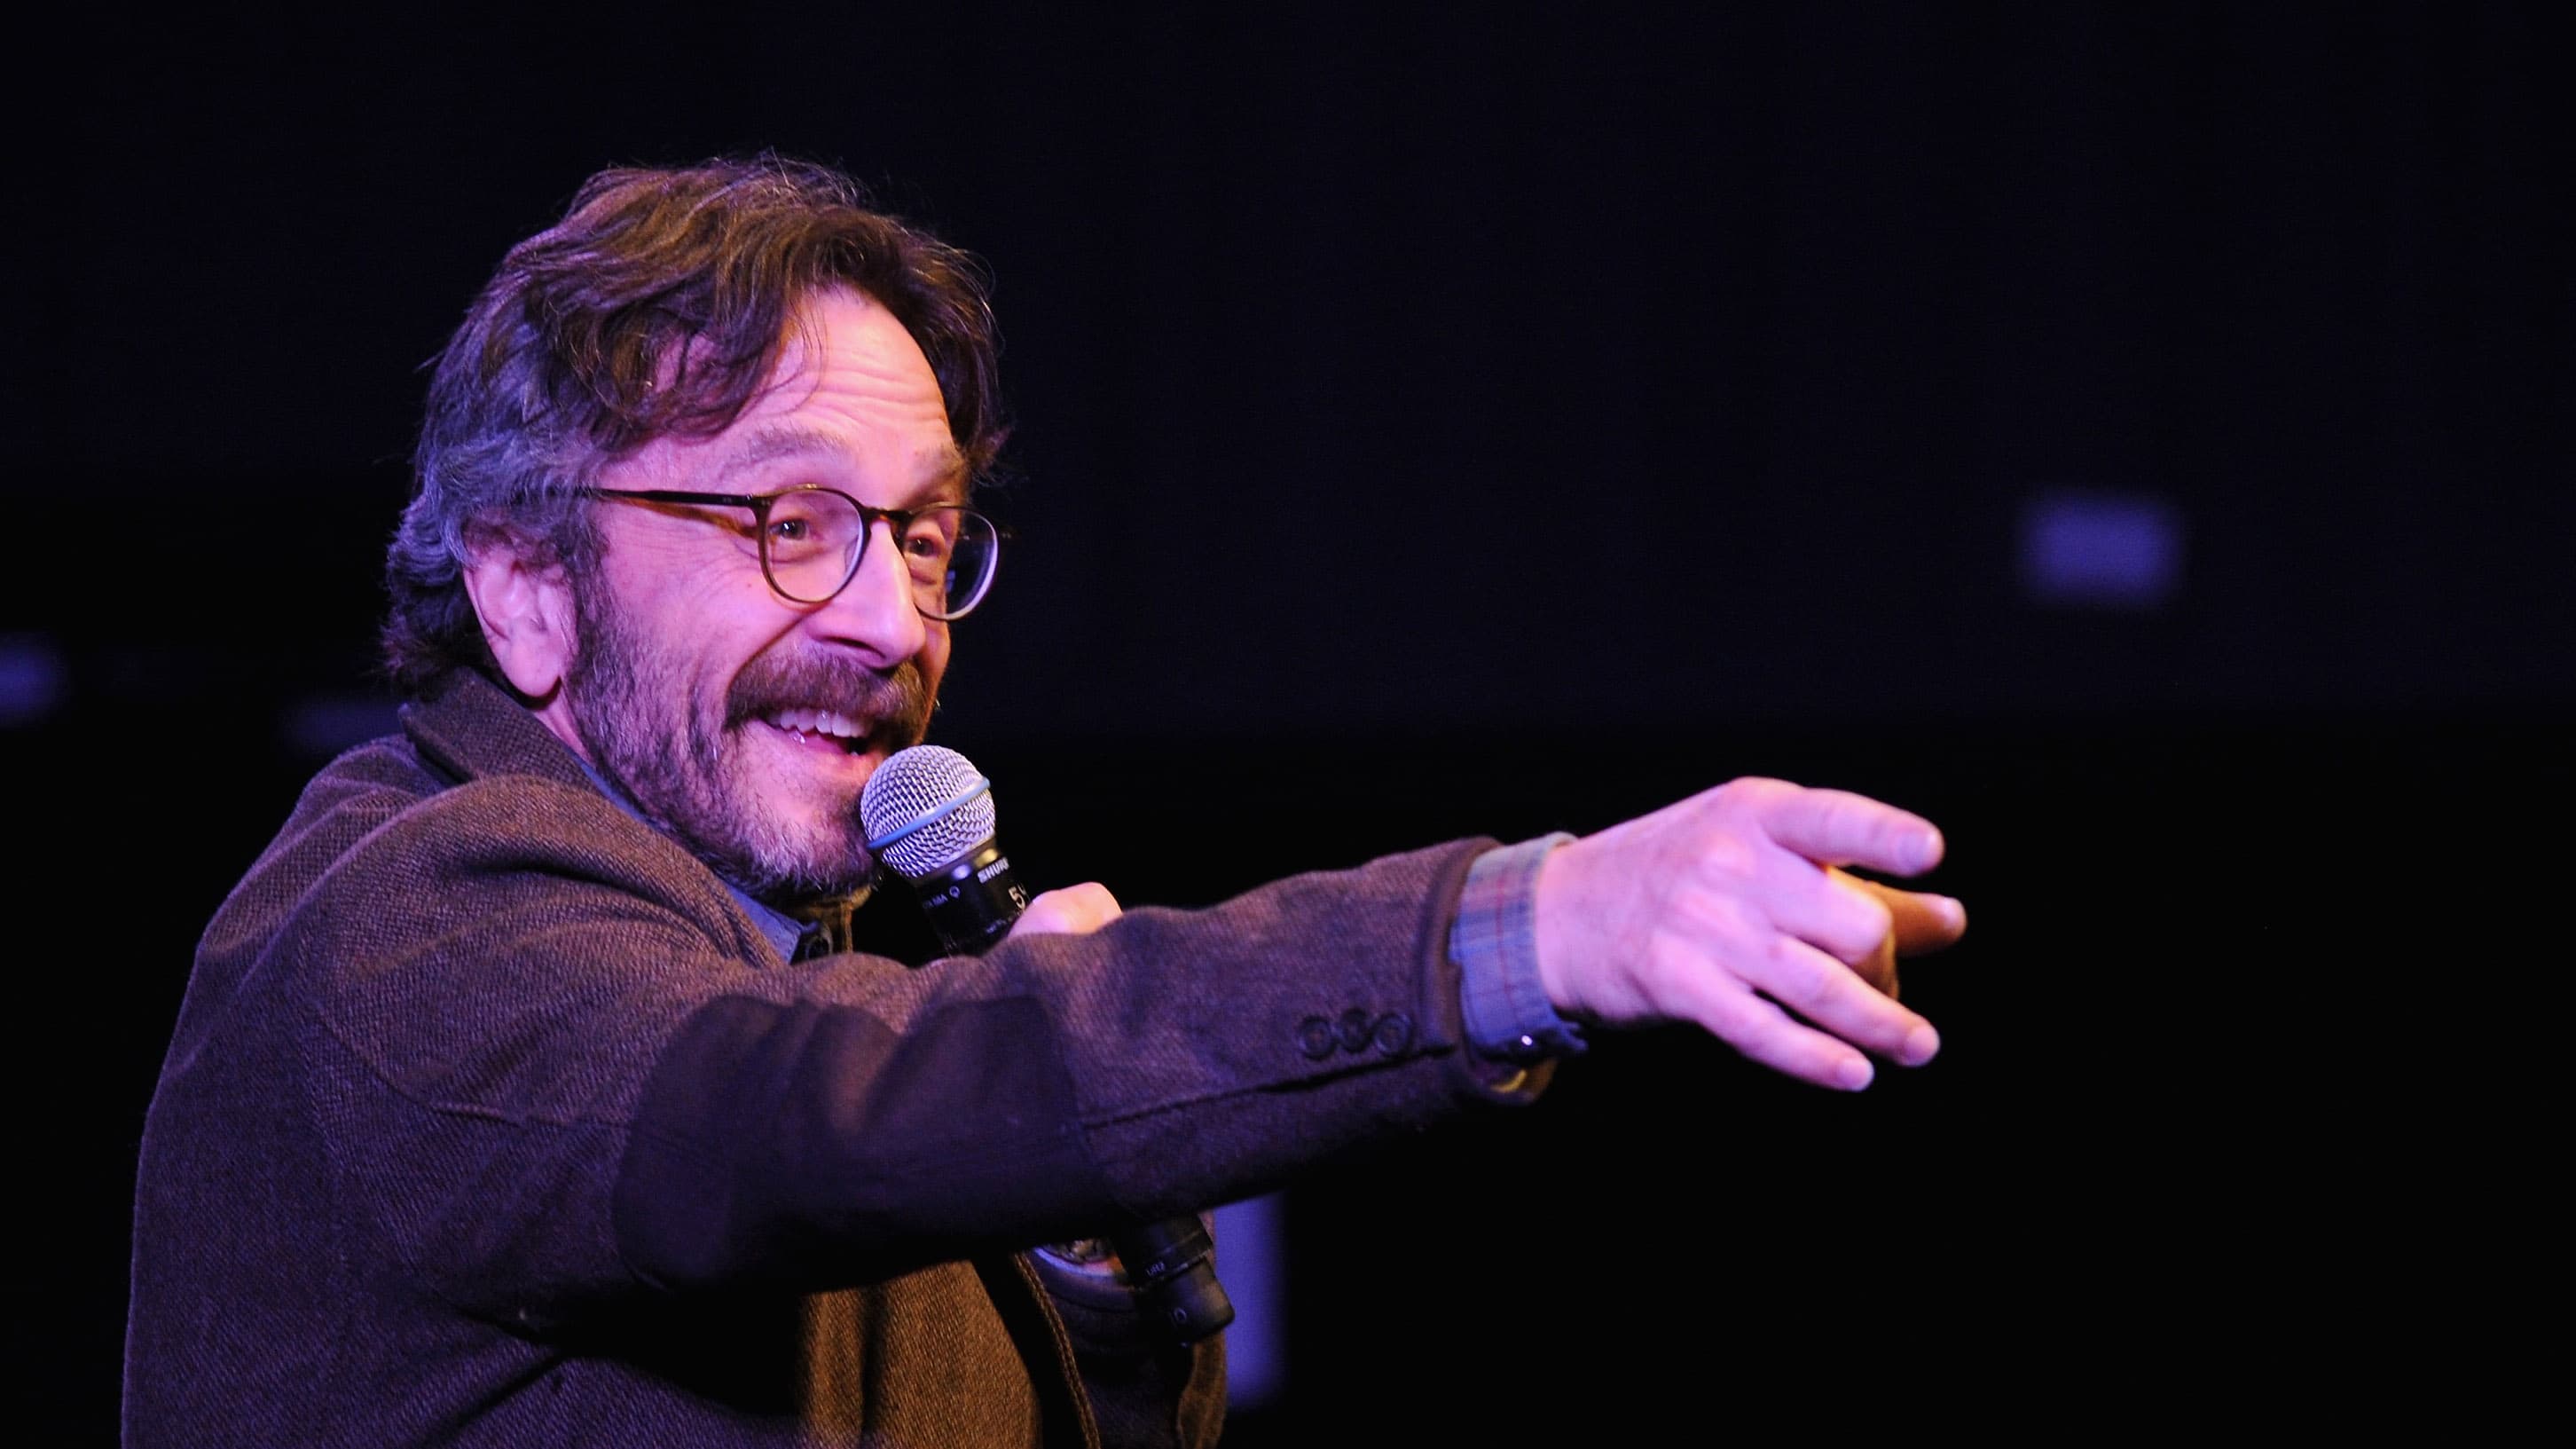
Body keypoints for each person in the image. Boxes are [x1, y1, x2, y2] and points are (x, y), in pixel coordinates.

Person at [123, 156, 1967, 1447]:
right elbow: (797, 1113)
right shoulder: (410, 922)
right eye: (789, 523)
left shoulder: (829, 978)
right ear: (526, 584)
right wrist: (1529, 927)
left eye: (923, 535)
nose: (886, 616)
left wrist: (1092, 1259)